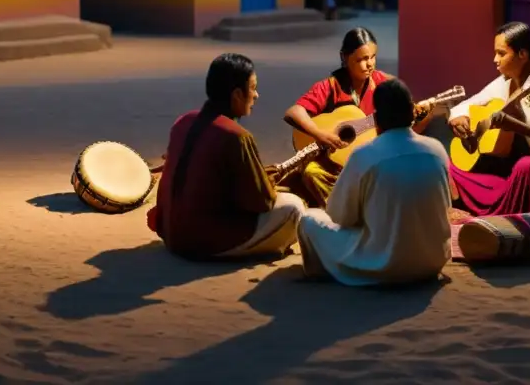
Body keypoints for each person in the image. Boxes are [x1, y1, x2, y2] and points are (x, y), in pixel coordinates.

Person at [147, 53, 306, 260]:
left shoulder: (183, 121)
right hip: (202, 242)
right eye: (253, 88)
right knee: (294, 207)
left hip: (171, 234)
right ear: (237, 95)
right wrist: (269, 183)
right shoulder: (237, 137)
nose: (256, 95)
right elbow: (260, 203)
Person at [296, 78, 452, 286]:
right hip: (432, 263)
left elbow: (340, 217)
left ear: (376, 119)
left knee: (308, 220)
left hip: (384, 266)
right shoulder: (437, 150)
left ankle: (331, 273)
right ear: (411, 113)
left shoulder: (364, 155)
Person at [447, 21, 530, 217]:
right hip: (507, 170)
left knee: (527, 167)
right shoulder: (504, 82)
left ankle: (492, 205)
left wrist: (518, 127)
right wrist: (458, 118)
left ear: (522, 54)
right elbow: (466, 104)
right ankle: (506, 201)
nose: (495, 59)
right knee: (445, 164)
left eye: (501, 53)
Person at [282, 27, 393, 207]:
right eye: (362, 59)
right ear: (344, 57)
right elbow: (293, 112)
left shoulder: (384, 84)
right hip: (336, 163)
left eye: (373, 57)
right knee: (311, 172)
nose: (370, 64)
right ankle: (342, 213)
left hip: (372, 159)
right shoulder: (330, 87)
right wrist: (320, 134)